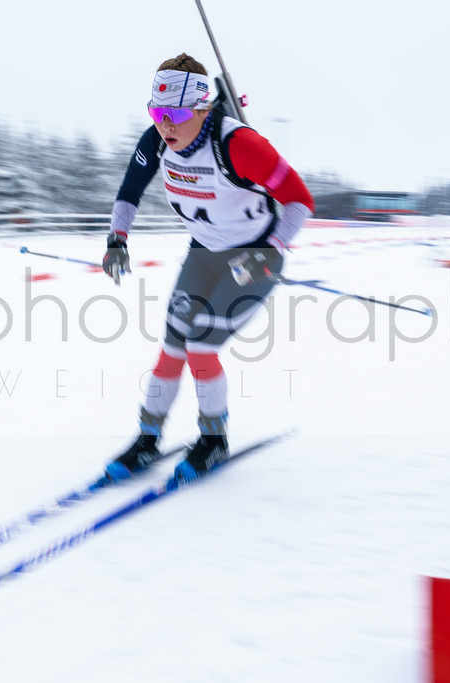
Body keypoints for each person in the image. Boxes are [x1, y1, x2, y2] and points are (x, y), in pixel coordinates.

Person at [101, 53, 315, 484]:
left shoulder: (240, 145)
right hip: (203, 254)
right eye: (158, 113)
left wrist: (272, 247)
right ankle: (147, 438)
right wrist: (117, 239)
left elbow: (300, 201)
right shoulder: (156, 141)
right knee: (173, 344)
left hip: (256, 257)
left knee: (201, 344)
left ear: (202, 108)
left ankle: (213, 439)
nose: (167, 124)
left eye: (177, 114)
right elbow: (129, 192)